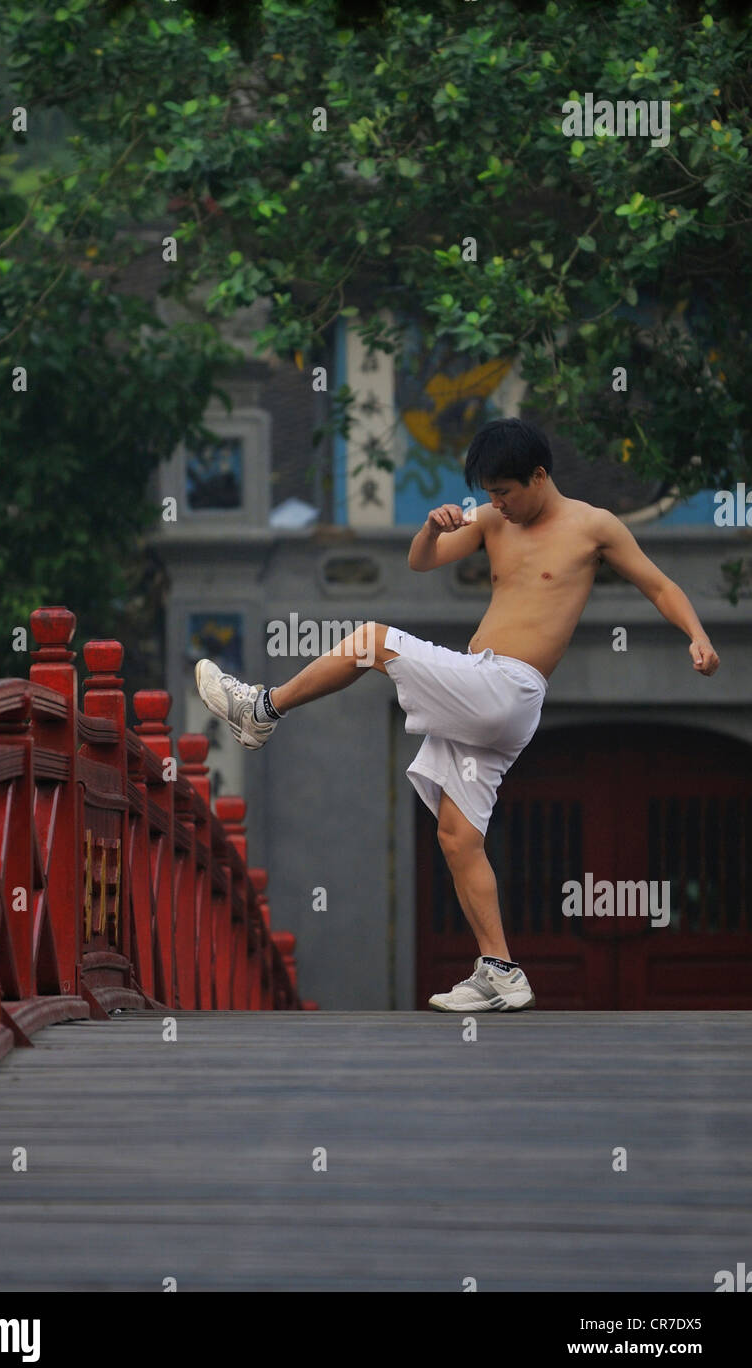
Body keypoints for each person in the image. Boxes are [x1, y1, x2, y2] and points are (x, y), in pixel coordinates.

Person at [195, 418, 720, 1012]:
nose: (496, 504)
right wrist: (430, 527)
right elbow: (424, 563)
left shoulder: (593, 526)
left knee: (371, 639)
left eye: (506, 491)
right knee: (456, 836)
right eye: (490, 493)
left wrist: (697, 636)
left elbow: (659, 585)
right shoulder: (494, 519)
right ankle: (500, 968)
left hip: (510, 689)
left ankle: (262, 707)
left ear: (540, 476)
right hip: (477, 695)